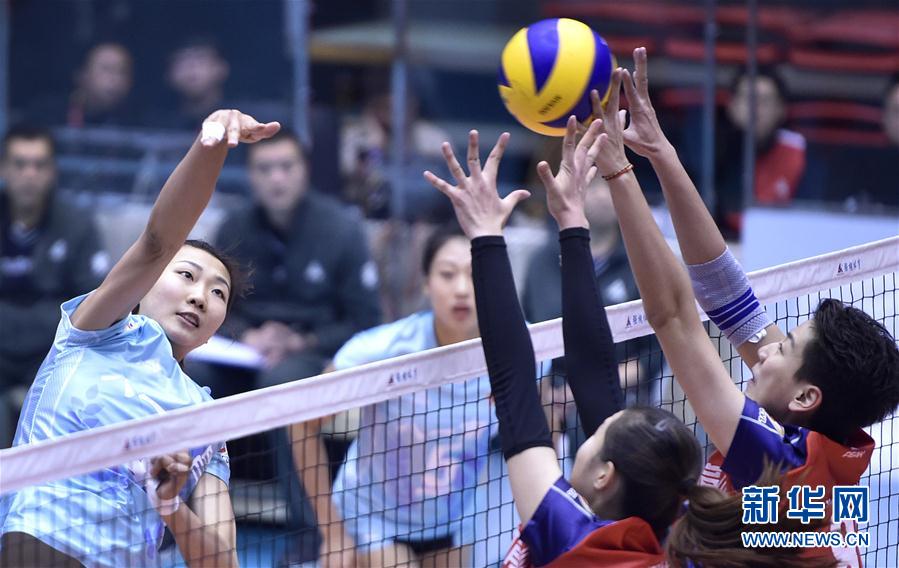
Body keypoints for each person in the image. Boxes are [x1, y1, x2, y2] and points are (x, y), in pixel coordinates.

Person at [425, 118, 818, 567]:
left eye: (600, 435)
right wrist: (572, 222)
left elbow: (515, 392)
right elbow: (594, 376)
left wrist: (485, 236)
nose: (598, 419)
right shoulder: (670, 526)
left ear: (605, 477)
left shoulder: (573, 539)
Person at [593, 49, 899, 565]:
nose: (767, 347)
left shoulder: (778, 468)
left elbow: (672, 316)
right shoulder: (824, 440)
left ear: (806, 395)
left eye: (785, 347)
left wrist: (620, 173)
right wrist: (661, 153)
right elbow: (723, 293)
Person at [0, 109, 280, 567]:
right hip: (39, 548)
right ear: (144, 285)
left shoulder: (205, 415)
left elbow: (223, 561)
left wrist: (171, 507)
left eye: (218, 293)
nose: (199, 296)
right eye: (186, 275)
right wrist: (211, 145)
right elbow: (157, 242)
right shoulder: (93, 332)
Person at [295, 222, 494, 567]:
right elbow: (300, 423)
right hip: (371, 519)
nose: (462, 289)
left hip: (454, 520)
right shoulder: (381, 351)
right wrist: (333, 533)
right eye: (448, 275)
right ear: (427, 283)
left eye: (475, 276)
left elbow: (545, 427)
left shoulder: (522, 351)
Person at [0, 126, 110, 447]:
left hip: (53, 351)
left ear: (53, 171)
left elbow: (93, 300)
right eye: (20, 164)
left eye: (39, 165)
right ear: (3, 169)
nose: (29, 174)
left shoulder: (78, 225)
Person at [685, 67, 806, 239]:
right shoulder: (710, 149)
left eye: (764, 101)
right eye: (748, 99)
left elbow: (809, 215)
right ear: (732, 106)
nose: (754, 109)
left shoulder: (796, 149)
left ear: (781, 109)